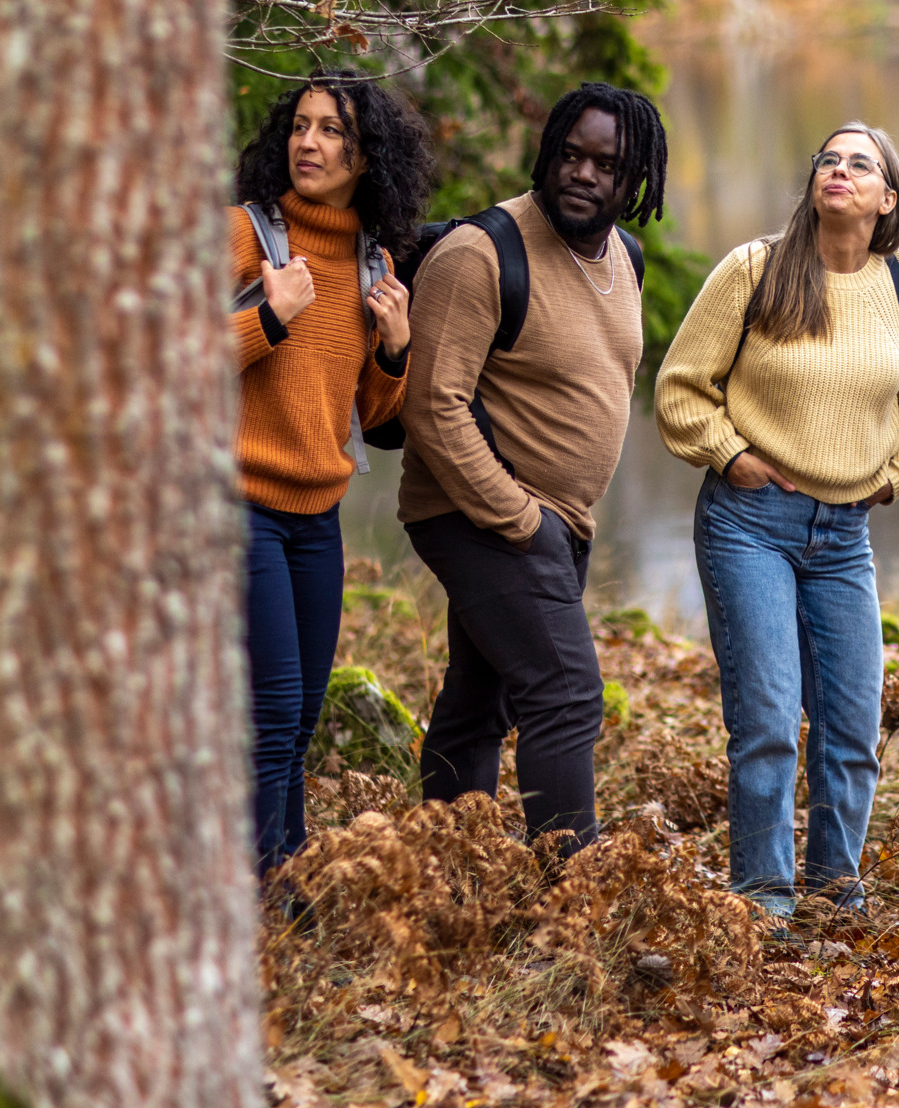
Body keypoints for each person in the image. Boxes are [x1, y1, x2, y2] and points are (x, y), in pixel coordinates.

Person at [655, 122, 899, 918]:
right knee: (771, 724)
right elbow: (680, 388)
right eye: (829, 159)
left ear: (887, 199)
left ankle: (834, 891)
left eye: (861, 164)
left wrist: (893, 477)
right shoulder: (755, 269)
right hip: (750, 522)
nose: (840, 171)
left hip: (844, 536)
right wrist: (728, 453)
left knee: (852, 727)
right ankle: (764, 902)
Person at [398, 83, 660, 850]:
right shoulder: (481, 253)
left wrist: (556, 523)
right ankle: (569, 893)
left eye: (606, 164)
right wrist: (519, 518)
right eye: (571, 155)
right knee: (568, 694)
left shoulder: (625, 258)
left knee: (480, 704)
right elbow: (432, 404)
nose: (584, 174)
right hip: (477, 511)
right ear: (548, 153)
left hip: (555, 522)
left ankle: (452, 866)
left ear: (632, 176)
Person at [228, 70, 427, 877]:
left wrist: (395, 347)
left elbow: (376, 418)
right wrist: (267, 317)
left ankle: (288, 861)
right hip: (236, 503)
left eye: (333, 131)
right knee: (272, 710)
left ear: (367, 156)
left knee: (303, 713)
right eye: (301, 126)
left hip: (317, 516)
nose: (308, 143)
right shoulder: (245, 237)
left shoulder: (372, 260)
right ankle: (262, 887)